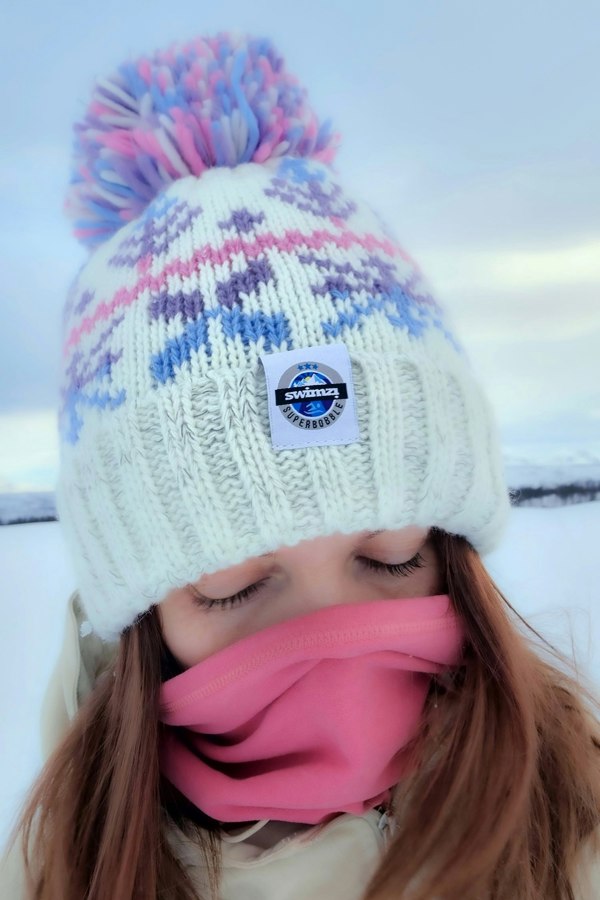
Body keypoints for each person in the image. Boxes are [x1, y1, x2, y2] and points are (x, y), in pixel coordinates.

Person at [1, 29, 600, 900]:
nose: (337, 633)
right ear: (140, 620)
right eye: (233, 585)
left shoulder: (574, 818)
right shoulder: (63, 872)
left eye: (392, 554)